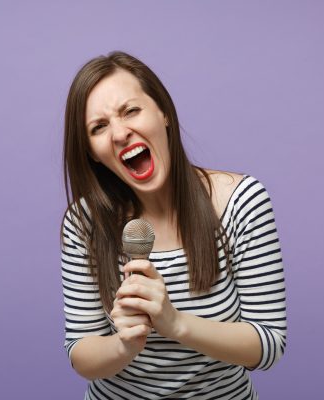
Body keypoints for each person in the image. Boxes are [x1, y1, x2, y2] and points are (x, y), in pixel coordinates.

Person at [60, 51, 287, 399]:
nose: (120, 133)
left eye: (130, 110)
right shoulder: (84, 222)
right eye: (99, 127)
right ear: (91, 151)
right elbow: (81, 353)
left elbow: (268, 344)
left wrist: (175, 323)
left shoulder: (242, 202)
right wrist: (124, 345)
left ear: (163, 112)